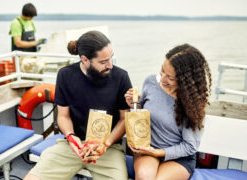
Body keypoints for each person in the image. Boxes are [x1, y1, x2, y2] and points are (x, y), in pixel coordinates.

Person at [24, 30, 132, 180]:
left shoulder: (121, 77)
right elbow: (63, 116)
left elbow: (123, 119)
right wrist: (71, 136)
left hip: (108, 148)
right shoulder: (65, 75)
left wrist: (105, 144)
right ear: (85, 59)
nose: (110, 65)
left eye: (111, 58)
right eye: (103, 62)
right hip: (72, 146)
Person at [125, 44, 212, 180]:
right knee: (144, 176)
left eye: (170, 77)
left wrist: (158, 152)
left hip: (179, 158)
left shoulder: (192, 104)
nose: (163, 79)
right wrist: (134, 104)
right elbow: (140, 116)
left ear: (185, 81)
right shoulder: (150, 82)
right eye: (162, 70)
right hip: (147, 149)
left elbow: (190, 146)